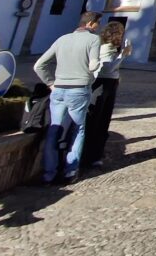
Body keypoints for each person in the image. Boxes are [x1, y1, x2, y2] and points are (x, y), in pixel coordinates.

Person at [34, 11, 102, 183]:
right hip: (79, 89)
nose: (98, 27)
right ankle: (70, 171)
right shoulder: (93, 39)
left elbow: (39, 65)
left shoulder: (62, 39)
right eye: (97, 23)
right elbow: (93, 64)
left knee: (54, 129)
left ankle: (49, 173)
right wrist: (94, 69)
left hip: (58, 90)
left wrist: (50, 83)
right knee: (78, 129)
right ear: (90, 24)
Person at [82, 22, 132, 168]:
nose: (122, 37)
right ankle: (90, 155)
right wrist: (123, 55)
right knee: (97, 119)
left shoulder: (108, 47)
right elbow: (107, 68)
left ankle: (95, 154)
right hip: (102, 85)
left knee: (101, 120)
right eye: (120, 34)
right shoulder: (104, 48)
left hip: (109, 84)